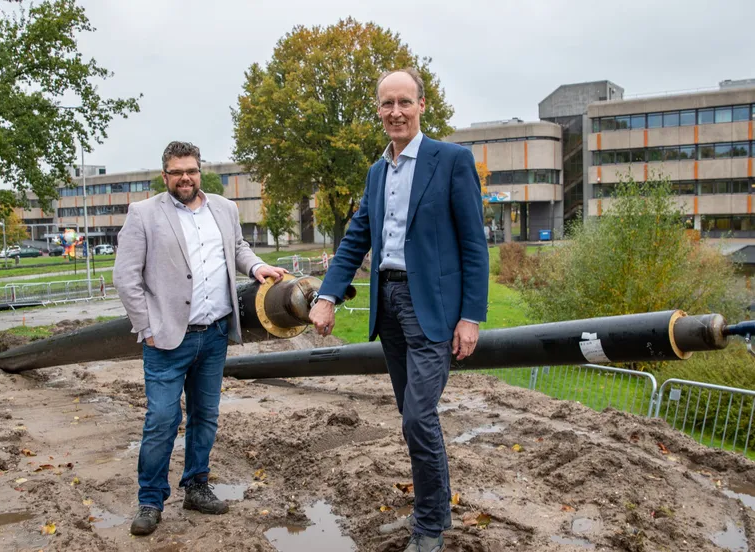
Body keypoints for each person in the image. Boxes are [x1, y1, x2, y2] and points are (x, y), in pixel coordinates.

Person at [309, 69, 489, 552]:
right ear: (378, 110)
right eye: (386, 104)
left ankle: (429, 527)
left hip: (432, 307)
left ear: (421, 105)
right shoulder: (377, 171)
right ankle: (436, 509)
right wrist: (327, 296)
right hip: (386, 301)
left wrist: (472, 315)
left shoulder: (451, 160)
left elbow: (474, 245)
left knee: (417, 417)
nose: (395, 112)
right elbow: (355, 240)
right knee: (415, 417)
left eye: (404, 102)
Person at [113, 141, 286, 536]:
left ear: (199, 172)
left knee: (204, 416)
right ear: (165, 176)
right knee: (161, 420)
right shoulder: (143, 214)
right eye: (177, 172)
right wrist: (147, 328)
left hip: (214, 335)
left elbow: (237, 248)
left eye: (190, 170)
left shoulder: (223, 208)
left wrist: (257, 267)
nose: (185, 178)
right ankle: (150, 500)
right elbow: (125, 278)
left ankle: (196, 485)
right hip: (167, 340)